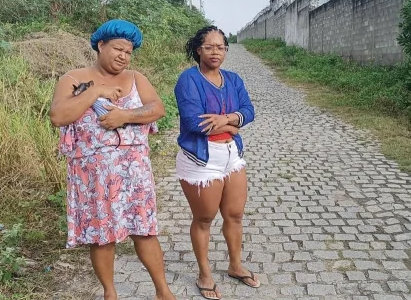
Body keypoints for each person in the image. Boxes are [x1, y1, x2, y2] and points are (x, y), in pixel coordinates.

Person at [49, 19, 176, 300]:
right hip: (93, 176)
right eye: (118, 48)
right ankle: (110, 293)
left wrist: (126, 115)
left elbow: (157, 108)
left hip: (134, 174)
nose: (123, 56)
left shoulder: (135, 78)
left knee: (144, 230)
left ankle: (163, 292)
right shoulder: (72, 79)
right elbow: (59, 116)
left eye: (128, 52)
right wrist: (93, 92)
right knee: (102, 235)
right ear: (101, 45)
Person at [174, 25, 258, 300]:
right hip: (201, 158)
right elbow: (193, 121)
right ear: (198, 49)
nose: (215, 52)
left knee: (234, 214)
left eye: (220, 47)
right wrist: (233, 124)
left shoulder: (233, 79)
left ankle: (235, 265)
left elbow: (249, 110)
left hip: (232, 155)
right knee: (204, 218)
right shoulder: (189, 80)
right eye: (209, 47)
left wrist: (226, 121)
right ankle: (205, 273)